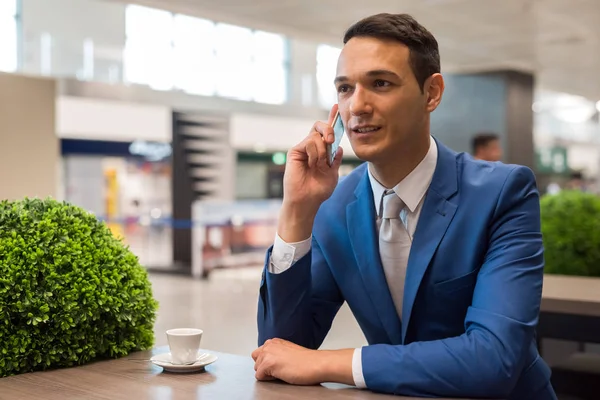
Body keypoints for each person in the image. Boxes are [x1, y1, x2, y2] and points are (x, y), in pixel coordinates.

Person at [252, 13, 556, 400]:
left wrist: (329, 363)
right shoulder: (336, 206)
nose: (357, 106)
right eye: (345, 88)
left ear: (431, 93)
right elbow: (280, 351)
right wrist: (297, 210)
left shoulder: (501, 193)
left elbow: (494, 358)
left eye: (380, 84)